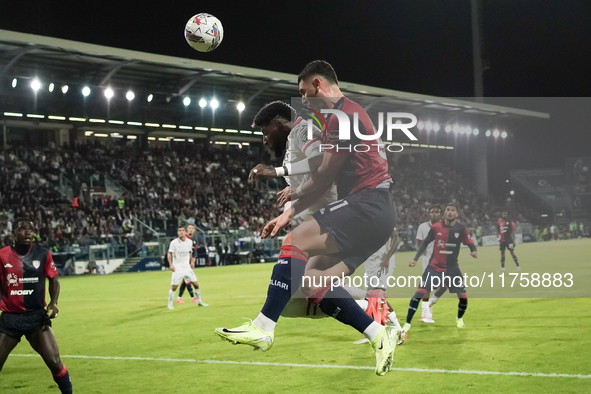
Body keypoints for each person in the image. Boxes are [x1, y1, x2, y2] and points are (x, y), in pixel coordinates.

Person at [216, 60, 398, 376]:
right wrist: (290, 202)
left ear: (316, 83)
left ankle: (263, 327)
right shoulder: (340, 116)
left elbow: (325, 173)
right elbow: (322, 173)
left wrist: (286, 198)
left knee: (295, 241)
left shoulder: (341, 117)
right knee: (314, 286)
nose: (302, 100)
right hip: (372, 214)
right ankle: (380, 335)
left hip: (367, 205)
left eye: (303, 92)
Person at [0, 218, 72, 393]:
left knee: (55, 362)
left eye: (31, 229)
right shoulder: (2, 255)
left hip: (37, 318)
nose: (28, 232)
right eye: (23, 229)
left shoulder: (43, 254)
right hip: (10, 319)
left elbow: (54, 278)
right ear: (13, 233)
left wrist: (54, 303)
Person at [404, 204, 478, 333]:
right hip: (434, 267)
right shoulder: (436, 227)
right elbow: (425, 242)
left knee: (463, 297)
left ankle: (459, 318)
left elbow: (470, 243)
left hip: (452, 269)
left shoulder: (461, 229)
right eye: (448, 210)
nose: (449, 212)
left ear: (457, 214)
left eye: (452, 210)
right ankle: (407, 324)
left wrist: (474, 251)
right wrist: (415, 259)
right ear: (445, 213)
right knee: (419, 293)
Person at [413, 205, 442, 323]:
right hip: (428, 262)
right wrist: (421, 250)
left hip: (443, 262)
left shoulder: (446, 227)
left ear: (441, 214)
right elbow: (418, 243)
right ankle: (425, 313)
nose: (434, 214)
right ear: (428, 214)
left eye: (437, 212)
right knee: (427, 286)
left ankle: (429, 305)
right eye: (432, 212)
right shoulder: (423, 227)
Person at [167, 227, 207, 309]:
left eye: (182, 230)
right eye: (179, 231)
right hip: (178, 268)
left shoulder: (189, 242)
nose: (181, 232)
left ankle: (199, 301)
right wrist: (171, 264)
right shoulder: (173, 243)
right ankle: (170, 303)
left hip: (187, 268)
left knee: (196, 284)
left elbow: (190, 252)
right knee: (174, 287)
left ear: (185, 232)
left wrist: (192, 261)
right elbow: (169, 253)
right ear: (178, 233)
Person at [177, 224, 199, 304]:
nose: (191, 229)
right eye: (189, 228)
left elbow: (195, 251)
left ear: (194, 230)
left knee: (185, 281)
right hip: (182, 263)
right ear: (187, 230)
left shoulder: (194, 240)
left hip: (188, 262)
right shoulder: (182, 238)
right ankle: (193, 298)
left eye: (192, 228)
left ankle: (179, 298)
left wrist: (193, 261)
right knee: (188, 280)